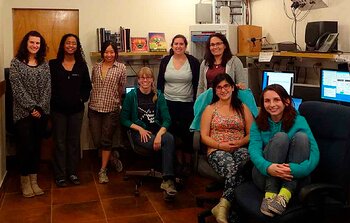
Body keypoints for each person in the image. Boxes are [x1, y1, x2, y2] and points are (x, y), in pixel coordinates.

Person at [249, 84, 319, 217]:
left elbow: (315, 153)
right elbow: (253, 150)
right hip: (265, 175)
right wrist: (268, 167)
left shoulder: (299, 121)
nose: (272, 104)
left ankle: (284, 196)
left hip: (292, 177)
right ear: (262, 103)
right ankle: (270, 195)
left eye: (276, 100)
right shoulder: (258, 123)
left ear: (286, 101)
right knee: (281, 137)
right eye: (267, 101)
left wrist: (294, 169)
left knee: (302, 138)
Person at [200, 73, 253, 223]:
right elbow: (203, 136)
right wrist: (220, 145)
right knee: (234, 171)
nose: (223, 90)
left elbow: (252, 133)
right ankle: (234, 215)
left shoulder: (242, 108)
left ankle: (223, 205)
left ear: (232, 88)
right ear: (215, 91)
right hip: (217, 149)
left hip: (240, 147)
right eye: (219, 87)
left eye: (226, 86)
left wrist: (241, 142)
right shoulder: (210, 109)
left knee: (246, 167)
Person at [120, 67, 177, 200]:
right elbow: (123, 119)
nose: (145, 80)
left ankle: (167, 179)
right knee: (168, 142)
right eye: (142, 78)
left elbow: (167, 120)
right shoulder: (131, 96)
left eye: (148, 77)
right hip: (140, 134)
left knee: (169, 138)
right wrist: (139, 129)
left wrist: (158, 135)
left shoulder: (159, 95)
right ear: (138, 80)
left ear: (152, 79)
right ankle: (168, 179)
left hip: (157, 132)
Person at [9, 30, 51, 197]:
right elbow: (17, 90)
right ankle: (24, 181)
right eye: (32, 42)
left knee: (36, 147)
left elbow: (48, 88)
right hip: (23, 114)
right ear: (26, 43)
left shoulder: (44, 63)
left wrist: (40, 108)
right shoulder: (16, 63)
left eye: (38, 43)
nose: (35, 45)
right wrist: (31, 108)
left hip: (41, 113)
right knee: (25, 148)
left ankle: (34, 180)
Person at [49, 33, 92, 187]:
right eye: (68, 43)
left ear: (77, 46)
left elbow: (87, 87)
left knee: (73, 142)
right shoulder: (52, 64)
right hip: (57, 111)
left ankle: (72, 173)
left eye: (74, 43)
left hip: (76, 111)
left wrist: (82, 98)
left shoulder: (81, 65)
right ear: (63, 45)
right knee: (59, 143)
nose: (71, 46)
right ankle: (60, 175)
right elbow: (48, 88)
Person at [157, 34, 200, 176]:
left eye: (181, 44)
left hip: (187, 104)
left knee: (187, 135)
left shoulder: (193, 62)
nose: (178, 46)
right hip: (169, 103)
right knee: (173, 134)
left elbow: (197, 83)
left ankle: (187, 165)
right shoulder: (165, 61)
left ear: (185, 46)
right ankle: (178, 163)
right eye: (176, 44)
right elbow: (160, 83)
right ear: (172, 46)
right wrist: (158, 98)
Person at [88, 41, 126, 184]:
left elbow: (121, 88)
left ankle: (103, 171)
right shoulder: (95, 67)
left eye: (112, 52)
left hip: (111, 109)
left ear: (115, 53)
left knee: (106, 140)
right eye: (106, 52)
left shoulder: (121, 68)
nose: (109, 55)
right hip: (94, 108)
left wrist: (115, 100)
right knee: (97, 140)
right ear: (102, 53)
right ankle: (113, 158)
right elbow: (93, 85)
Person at [197, 33, 247, 97]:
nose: (215, 47)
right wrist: (198, 102)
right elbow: (201, 86)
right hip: (209, 101)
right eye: (212, 45)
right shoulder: (205, 63)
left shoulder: (235, 61)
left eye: (218, 44)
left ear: (225, 45)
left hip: (229, 102)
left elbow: (242, 84)